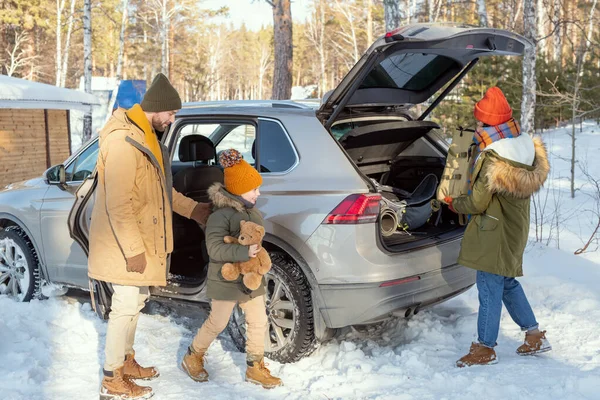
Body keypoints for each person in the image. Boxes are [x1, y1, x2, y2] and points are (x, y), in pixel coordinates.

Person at [90, 73, 212, 399]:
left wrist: (194, 210)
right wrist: (132, 250)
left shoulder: (145, 138)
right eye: (170, 113)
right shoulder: (122, 142)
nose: (172, 119)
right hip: (125, 244)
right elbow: (118, 204)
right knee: (125, 306)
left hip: (143, 240)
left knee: (135, 303)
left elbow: (161, 191)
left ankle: (126, 362)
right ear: (156, 109)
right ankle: (112, 380)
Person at [444, 87, 552, 368]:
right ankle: (534, 335)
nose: (477, 126)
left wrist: (452, 202)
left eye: (480, 122)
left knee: (489, 286)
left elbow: (478, 202)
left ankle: (485, 348)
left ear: (491, 124)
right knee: (505, 282)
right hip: (515, 229)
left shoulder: (494, 158)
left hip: (494, 231)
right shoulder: (523, 146)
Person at [181, 149, 283, 389]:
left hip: (250, 278)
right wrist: (242, 252)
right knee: (218, 322)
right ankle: (193, 355)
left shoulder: (251, 212)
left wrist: (257, 259)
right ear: (237, 191)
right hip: (225, 280)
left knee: (258, 320)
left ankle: (254, 366)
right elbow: (214, 248)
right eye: (254, 189)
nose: (258, 193)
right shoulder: (221, 216)